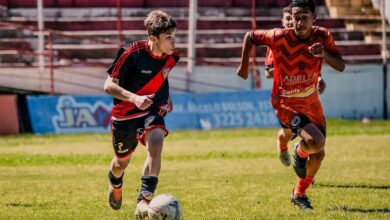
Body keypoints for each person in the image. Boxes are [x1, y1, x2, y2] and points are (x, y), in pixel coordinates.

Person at [237, 0, 345, 210]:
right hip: (285, 102)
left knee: (319, 151)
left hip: (311, 102)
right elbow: (250, 36)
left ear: (314, 18)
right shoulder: (279, 36)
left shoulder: (322, 36)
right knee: (315, 141)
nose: (299, 21)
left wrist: (323, 54)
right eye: (296, 17)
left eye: (304, 16)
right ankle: (298, 151)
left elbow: (340, 66)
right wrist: (244, 66)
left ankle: (299, 194)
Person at [103, 10, 179, 218]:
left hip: (152, 109)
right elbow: (108, 85)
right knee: (121, 162)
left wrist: (165, 98)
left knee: (156, 143)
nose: (173, 42)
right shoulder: (132, 53)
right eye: (168, 38)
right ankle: (115, 181)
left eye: (174, 37)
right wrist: (134, 98)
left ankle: (144, 200)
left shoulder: (172, 57)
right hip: (125, 113)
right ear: (153, 38)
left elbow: (160, 77)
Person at [264, 5, 327, 167]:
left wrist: (319, 78)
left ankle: (304, 167)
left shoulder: (306, 39)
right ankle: (282, 142)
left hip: (306, 97)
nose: (293, 23)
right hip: (287, 100)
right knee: (289, 133)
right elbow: (268, 72)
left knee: (312, 136)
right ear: (284, 21)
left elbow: (309, 67)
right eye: (289, 19)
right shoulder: (277, 43)